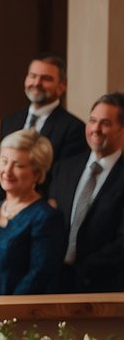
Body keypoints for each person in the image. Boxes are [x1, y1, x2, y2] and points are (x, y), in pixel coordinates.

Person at [0, 129, 62, 295]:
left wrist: (7, 314)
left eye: (18, 165)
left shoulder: (45, 217)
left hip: (14, 314)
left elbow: (38, 277)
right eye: (4, 161)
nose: (7, 171)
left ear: (37, 174)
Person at [49, 92, 124, 293]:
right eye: (92, 121)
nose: (96, 129)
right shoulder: (63, 168)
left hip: (104, 287)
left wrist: (81, 270)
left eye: (106, 123)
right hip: (56, 282)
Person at [0, 55, 88, 189]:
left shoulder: (73, 128)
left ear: (62, 86)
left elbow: (65, 178)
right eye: (33, 76)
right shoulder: (9, 122)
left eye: (46, 78)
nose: (37, 83)